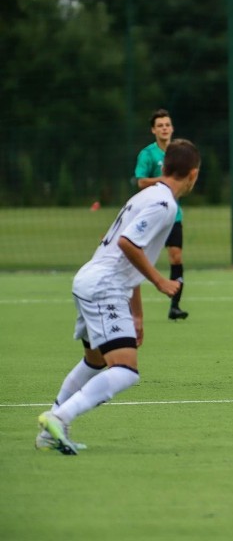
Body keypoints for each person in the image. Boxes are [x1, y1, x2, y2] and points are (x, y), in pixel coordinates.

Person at [36, 139, 201, 455]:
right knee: (125, 370)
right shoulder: (164, 205)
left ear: (164, 168)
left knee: (96, 359)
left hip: (90, 279)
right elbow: (128, 244)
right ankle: (59, 416)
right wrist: (160, 282)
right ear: (193, 174)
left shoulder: (146, 195)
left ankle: (50, 432)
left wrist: (136, 313)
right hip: (104, 287)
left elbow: (124, 248)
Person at [135, 109, 190, 319]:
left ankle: (175, 306)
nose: (164, 128)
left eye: (167, 125)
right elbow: (140, 181)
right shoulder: (147, 154)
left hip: (173, 215)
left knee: (176, 257)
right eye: (160, 125)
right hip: (152, 214)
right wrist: (163, 181)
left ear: (172, 128)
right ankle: (128, 302)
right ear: (153, 130)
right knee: (139, 257)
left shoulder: (179, 153)